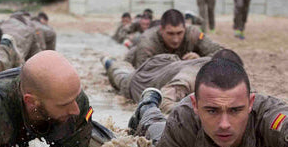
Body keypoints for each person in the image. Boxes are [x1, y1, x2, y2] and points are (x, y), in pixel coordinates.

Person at [128, 59, 288, 147]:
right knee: (156, 133)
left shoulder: (271, 119)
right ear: (195, 104)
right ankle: (148, 107)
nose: (224, 124)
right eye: (212, 111)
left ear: (251, 102)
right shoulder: (184, 120)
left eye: (235, 110)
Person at [102, 49, 243, 114]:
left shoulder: (235, 73)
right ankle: (108, 62)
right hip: (140, 80)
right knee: (120, 74)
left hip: (168, 66)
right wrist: (199, 112)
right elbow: (164, 102)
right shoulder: (189, 78)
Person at [125, 9, 223, 68]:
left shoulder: (194, 33)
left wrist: (200, 60)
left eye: (179, 33)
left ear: (185, 28)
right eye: (170, 34)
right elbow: (142, 76)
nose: (175, 39)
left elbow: (221, 53)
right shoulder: (148, 41)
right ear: (161, 30)